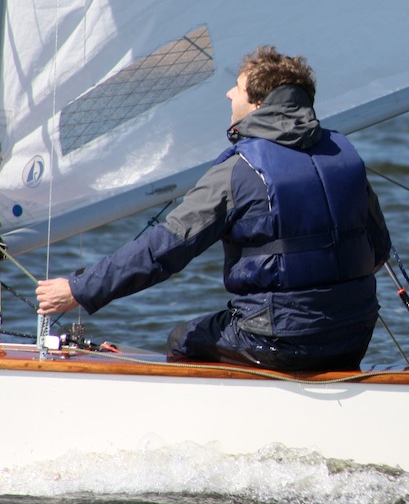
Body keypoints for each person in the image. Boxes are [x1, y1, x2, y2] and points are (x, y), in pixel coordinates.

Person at [36, 46, 391, 372]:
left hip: (278, 340)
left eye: (238, 88)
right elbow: (378, 250)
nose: (229, 94)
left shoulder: (240, 171)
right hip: (354, 335)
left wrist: (79, 289)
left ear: (258, 103)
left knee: (183, 340)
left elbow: (163, 250)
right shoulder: (344, 157)